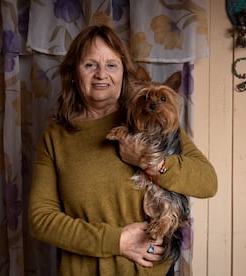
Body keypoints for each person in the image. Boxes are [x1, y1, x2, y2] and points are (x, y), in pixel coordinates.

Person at [28, 25, 217, 275]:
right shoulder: (56, 137)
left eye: (111, 65)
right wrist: (117, 241)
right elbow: (41, 219)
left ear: (123, 74)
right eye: (90, 65)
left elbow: (207, 182)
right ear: (74, 72)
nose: (101, 74)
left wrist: (150, 163)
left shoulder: (148, 119)